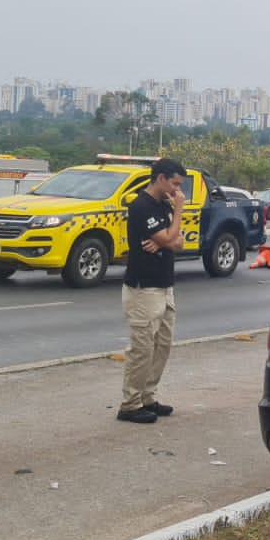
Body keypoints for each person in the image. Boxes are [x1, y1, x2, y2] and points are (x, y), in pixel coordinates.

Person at [116, 157, 185, 425]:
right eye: (175, 184)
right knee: (142, 349)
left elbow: (178, 241)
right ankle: (130, 404)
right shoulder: (141, 206)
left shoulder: (163, 205)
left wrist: (165, 241)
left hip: (165, 285)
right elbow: (170, 237)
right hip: (143, 288)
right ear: (160, 179)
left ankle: (148, 396)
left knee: (162, 346)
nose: (178, 192)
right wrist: (175, 219)